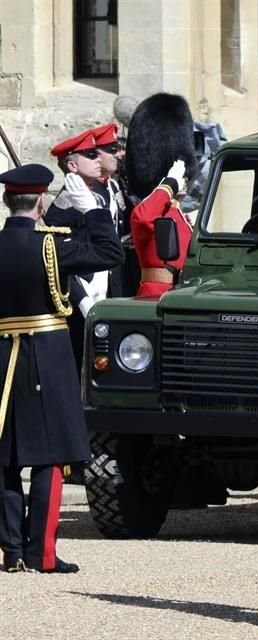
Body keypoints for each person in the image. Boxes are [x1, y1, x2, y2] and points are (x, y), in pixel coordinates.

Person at [0, 164, 123, 573]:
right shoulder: (51, 247)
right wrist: (90, 209)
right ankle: (43, 554)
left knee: (6, 458)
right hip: (48, 355)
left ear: (6, 202)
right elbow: (110, 252)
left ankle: (12, 551)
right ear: (39, 201)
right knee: (50, 457)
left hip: (2, 355)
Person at [45, 127, 123, 370]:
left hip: (104, 289)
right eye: (90, 155)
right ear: (72, 166)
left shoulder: (96, 196)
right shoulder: (65, 206)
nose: (98, 159)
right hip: (82, 297)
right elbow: (61, 255)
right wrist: (82, 300)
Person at [129, 161, 193, 296]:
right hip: (156, 293)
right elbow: (143, 218)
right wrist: (170, 184)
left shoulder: (180, 215)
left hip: (180, 292)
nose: (183, 179)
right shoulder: (152, 211)